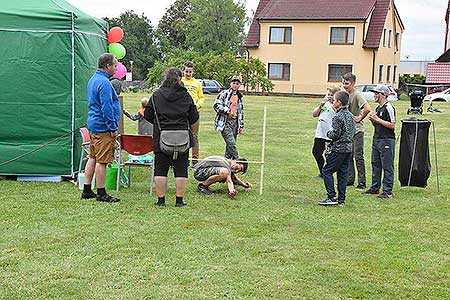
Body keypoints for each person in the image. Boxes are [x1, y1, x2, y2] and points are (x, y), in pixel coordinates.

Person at [144, 67, 199, 207]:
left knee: (160, 169)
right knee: (181, 169)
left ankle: (161, 200)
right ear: (180, 79)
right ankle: (179, 201)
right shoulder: (186, 95)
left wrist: (159, 124)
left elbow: (148, 114)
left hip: (161, 136)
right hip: (183, 137)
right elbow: (194, 117)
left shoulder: (156, 95)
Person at [81, 53, 121, 203]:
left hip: (93, 124)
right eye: (115, 65)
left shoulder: (93, 79)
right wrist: (112, 127)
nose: (116, 68)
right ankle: (101, 193)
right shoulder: (104, 83)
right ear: (108, 66)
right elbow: (107, 107)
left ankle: (86, 189)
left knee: (92, 157)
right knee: (102, 160)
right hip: (102, 127)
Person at [319, 91, 355, 206]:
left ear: (339, 102)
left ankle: (331, 196)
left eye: (334, 100)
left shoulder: (337, 117)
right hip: (349, 148)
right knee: (343, 174)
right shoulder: (350, 115)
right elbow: (352, 132)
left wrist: (328, 133)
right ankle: (342, 200)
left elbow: (336, 134)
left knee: (327, 171)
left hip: (338, 148)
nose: (333, 102)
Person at [364, 85, 396, 199]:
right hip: (377, 139)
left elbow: (392, 125)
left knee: (387, 166)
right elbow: (378, 124)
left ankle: (387, 191)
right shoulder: (378, 108)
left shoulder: (389, 107)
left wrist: (378, 119)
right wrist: (374, 121)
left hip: (387, 140)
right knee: (375, 164)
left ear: (383, 95)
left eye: (377, 93)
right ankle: (375, 188)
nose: (374, 95)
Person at [342, 72, 371, 190]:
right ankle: (350, 179)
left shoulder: (357, 95)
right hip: (348, 130)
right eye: (343, 83)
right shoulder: (344, 94)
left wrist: (360, 117)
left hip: (357, 130)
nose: (344, 85)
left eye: (347, 83)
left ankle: (362, 182)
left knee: (358, 156)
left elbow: (367, 108)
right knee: (348, 155)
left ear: (353, 83)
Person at [213, 76, 245, 160]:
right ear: (230, 84)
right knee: (231, 143)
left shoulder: (240, 97)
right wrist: (227, 112)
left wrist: (241, 125)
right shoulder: (224, 93)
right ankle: (238, 160)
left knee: (230, 145)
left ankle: (227, 161)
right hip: (225, 122)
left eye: (237, 84)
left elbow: (241, 112)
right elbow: (216, 105)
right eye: (233, 83)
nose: (235, 85)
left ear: (239, 85)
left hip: (235, 123)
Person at [311, 85, 339, 178]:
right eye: (328, 95)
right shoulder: (325, 104)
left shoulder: (337, 106)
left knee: (329, 155)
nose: (329, 97)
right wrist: (320, 107)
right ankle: (322, 172)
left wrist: (334, 106)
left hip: (329, 135)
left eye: (331, 95)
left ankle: (328, 173)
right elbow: (314, 114)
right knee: (316, 152)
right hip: (320, 133)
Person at [181, 61, 205, 165]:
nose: (188, 74)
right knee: (183, 136)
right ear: (183, 71)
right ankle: (183, 160)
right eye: (186, 71)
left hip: (194, 113)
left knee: (194, 136)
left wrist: (197, 105)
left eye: (190, 72)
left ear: (193, 72)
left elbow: (201, 97)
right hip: (182, 113)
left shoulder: (197, 83)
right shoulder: (180, 82)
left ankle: (195, 161)